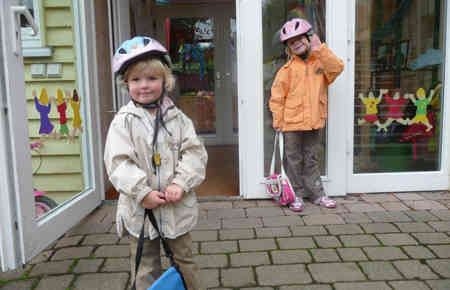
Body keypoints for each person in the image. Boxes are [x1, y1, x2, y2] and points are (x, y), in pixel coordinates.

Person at [104, 36, 208, 290]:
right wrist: (143, 192)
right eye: (136, 79)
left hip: (176, 208)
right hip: (140, 212)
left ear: (166, 81)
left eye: (152, 78)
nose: (144, 86)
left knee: (184, 260)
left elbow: (195, 153)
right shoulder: (123, 121)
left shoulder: (178, 119)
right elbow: (118, 163)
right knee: (144, 265)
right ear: (125, 83)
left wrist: (181, 183)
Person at [269, 18, 344, 212]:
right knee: (293, 159)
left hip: (313, 121)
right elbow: (277, 97)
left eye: (300, 39)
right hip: (291, 123)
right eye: (292, 42)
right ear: (288, 48)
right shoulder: (286, 71)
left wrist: (320, 49)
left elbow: (337, 69)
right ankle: (297, 195)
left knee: (311, 158)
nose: (297, 43)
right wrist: (278, 120)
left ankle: (317, 194)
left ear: (308, 38)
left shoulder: (320, 63)